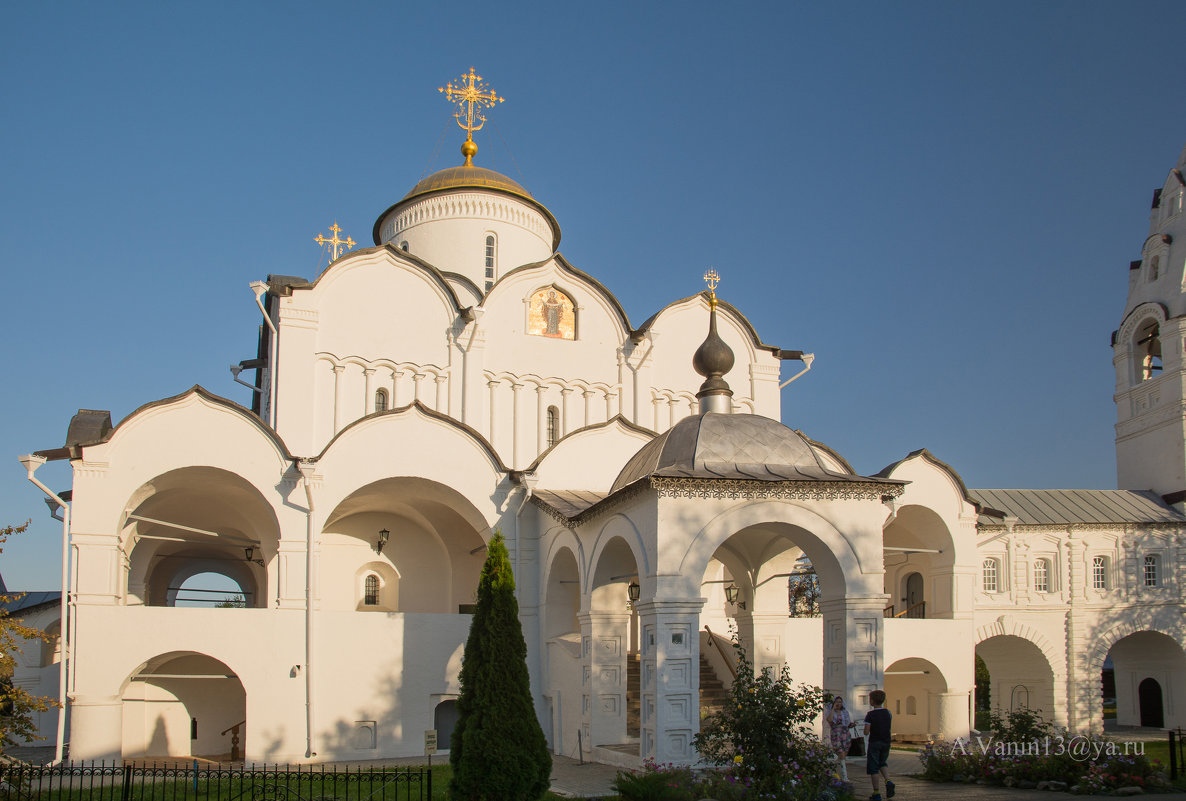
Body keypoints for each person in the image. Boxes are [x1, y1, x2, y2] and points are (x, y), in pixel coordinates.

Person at [863, 689, 894, 801]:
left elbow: (866, 731)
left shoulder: (870, 715)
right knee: (882, 762)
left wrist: (865, 730)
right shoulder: (888, 712)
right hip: (886, 742)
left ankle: (876, 793)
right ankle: (888, 781)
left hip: (875, 742)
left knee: (873, 768)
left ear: (871, 701)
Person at [826, 695, 853, 781]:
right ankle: (844, 776)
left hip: (845, 733)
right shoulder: (831, 712)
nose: (838, 703)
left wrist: (852, 725)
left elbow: (847, 723)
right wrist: (833, 709)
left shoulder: (845, 712)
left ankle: (835, 771)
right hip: (836, 734)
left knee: (843, 754)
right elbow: (829, 720)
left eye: (840, 702)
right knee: (840, 752)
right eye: (837, 702)